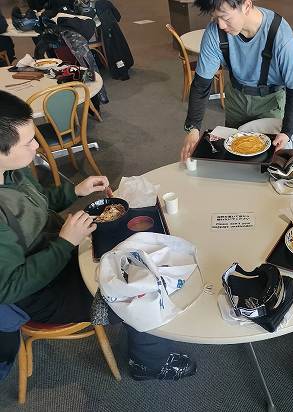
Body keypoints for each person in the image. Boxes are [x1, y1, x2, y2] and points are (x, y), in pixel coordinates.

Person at [0, 91, 196, 381]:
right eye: (28, 142)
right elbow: (9, 288)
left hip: (57, 250)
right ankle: (148, 363)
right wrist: (65, 242)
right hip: (40, 291)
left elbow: (37, 202)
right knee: (139, 286)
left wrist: (74, 191)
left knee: (134, 247)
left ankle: (146, 343)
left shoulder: (12, 172)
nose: (37, 147)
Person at [180, 0, 293, 162]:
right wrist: (193, 128)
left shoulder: (280, 35)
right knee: (233, 153)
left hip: (270, 102)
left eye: (225, 17)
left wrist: (286, 132)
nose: (220, 25)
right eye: (215, 18)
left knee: (264, 161)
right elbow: (201, 85)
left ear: (246, 5)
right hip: (236, 98)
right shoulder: (215, 32)